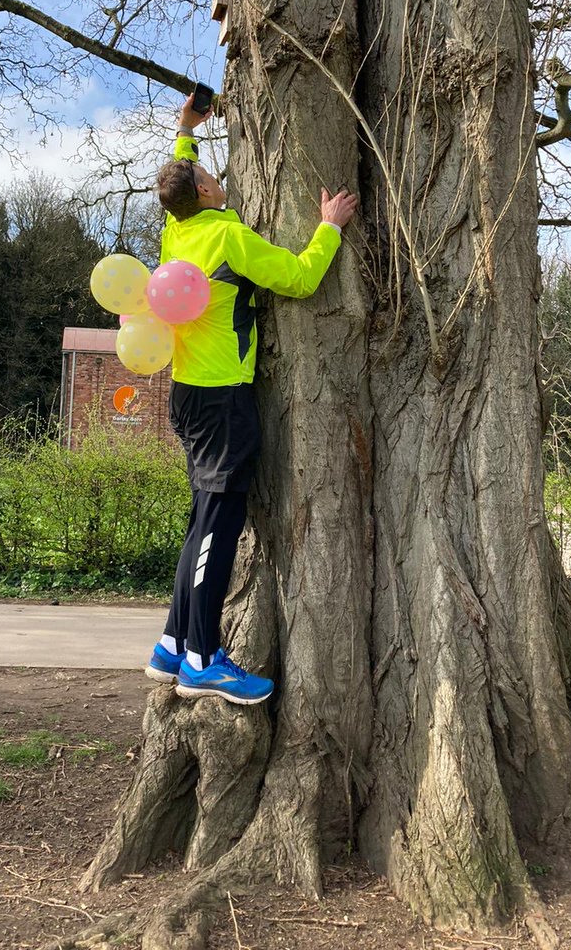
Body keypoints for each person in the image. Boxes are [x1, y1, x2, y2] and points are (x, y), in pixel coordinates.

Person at [146, 95, 358, 705]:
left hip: (186, 393)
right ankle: (203, 660)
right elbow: (297, 278)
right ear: (208, 196)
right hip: (222, 402)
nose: (220, 179)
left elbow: (179, 179)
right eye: (213, 177)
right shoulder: (228, 237)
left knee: (200, 524)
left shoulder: (175, 233)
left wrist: (186, 133)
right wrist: (329, 228)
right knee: (218, 524)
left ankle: (171, 643)